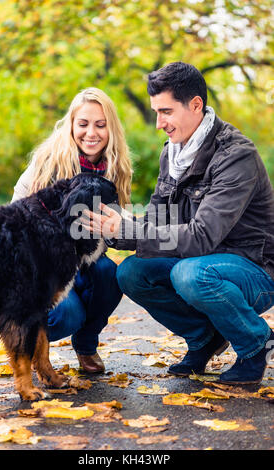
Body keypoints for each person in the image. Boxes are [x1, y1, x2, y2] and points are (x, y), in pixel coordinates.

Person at [84, 62, 274, 384]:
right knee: (131, 273)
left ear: (196, 105)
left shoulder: (235, 155)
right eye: (156, 112)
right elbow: (160, 219)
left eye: (166, 112)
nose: (159, 123)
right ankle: (205, 339)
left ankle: (256, 344)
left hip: (253, 268)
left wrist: (128, 228)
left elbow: (202, 236)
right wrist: (114, 228)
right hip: (202, 263)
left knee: (189, 274)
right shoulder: (173, 153)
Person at [11, 87, 132, 373]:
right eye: (83, 124)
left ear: (110, 129)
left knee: (110, 274)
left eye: (101, 125)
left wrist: (130, 229)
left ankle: (86, 345)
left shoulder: (115, 167)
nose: (92, 133)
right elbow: (15, 213)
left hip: (86, 262)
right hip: (45, 266)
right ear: (72, 125)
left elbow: (117, 222)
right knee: (68, 314)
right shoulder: (48, 161)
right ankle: (36, 352)